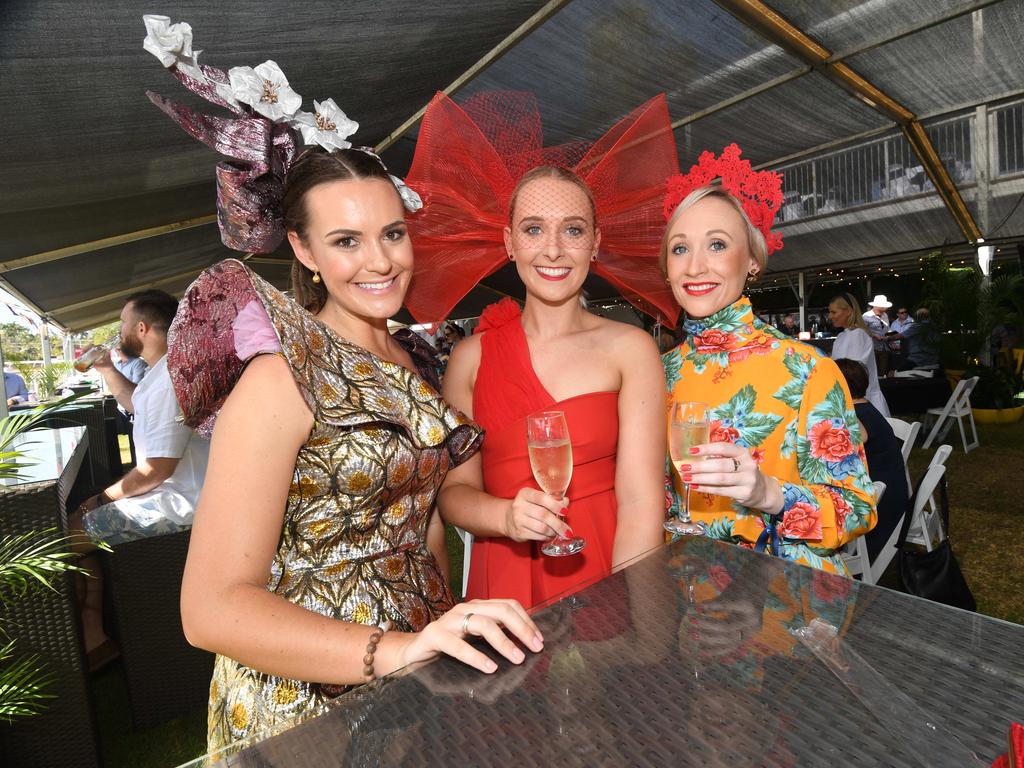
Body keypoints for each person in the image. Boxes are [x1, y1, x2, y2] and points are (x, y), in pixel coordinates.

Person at [139, 20, 542, 751]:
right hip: (301, 712)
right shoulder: (279, 379)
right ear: (303, 250)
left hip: (416, 686)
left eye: (392, 233)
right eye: (346, 240)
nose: (380, 261)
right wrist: (392, 651)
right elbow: (210, 610)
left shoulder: (415, 362)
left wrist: (440, 635)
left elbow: (422, 529)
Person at [406, 91, 675, 609]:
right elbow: (454, 494)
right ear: (510, 243)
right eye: (534, 230)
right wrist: (504, 518)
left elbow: (643, 504)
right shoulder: (471, 357)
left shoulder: (631, 349)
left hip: (606, 572)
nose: (552, 250)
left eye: (572, 231)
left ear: (595, 242)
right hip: (504, 580)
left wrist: (642, 626)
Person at [659, 144, 876, 574]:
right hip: (677, 595)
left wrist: (769, 495)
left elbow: (857, 509)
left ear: (753, 260)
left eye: (717, 244)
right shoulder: (658, 372)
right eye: (680, 249)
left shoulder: (808, 369)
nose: (695, 266)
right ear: (666, 267)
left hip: (780, 600)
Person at [69, 289, 210, 666]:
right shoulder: (162, 370)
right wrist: (108, 370)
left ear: (142, 328)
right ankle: (95, 636)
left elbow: (155, 470)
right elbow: (137, 404)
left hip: (183, 507)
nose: (120, 333)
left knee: (66, 538)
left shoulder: (170, 380)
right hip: (174, 496)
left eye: (122, 325)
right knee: (73, 530)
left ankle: (93, 639)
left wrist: (101, 499)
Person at [834, 358, 908, 560]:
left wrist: (838, 405)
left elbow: (862, 436)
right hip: (891, 494)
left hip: (881, 507)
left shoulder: (856, 415)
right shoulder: (867, 408)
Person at [829, 293, 890, 416]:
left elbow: (852, 372)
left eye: (834, 312)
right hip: (849, 401)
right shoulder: (842, 336)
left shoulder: (858, 334)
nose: (830, 316)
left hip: (863, 403)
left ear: (849, 311)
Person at [863, 294, 892, 375]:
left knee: (883, 371)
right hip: (872, 348)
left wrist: (889, 335)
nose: (886, 308)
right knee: (872, 371)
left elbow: (886, 328)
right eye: (884, 306)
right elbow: (862, 330)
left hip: (884, 347)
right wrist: (874, 335)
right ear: (877, 306)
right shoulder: (866, 316)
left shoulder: (885, 315)